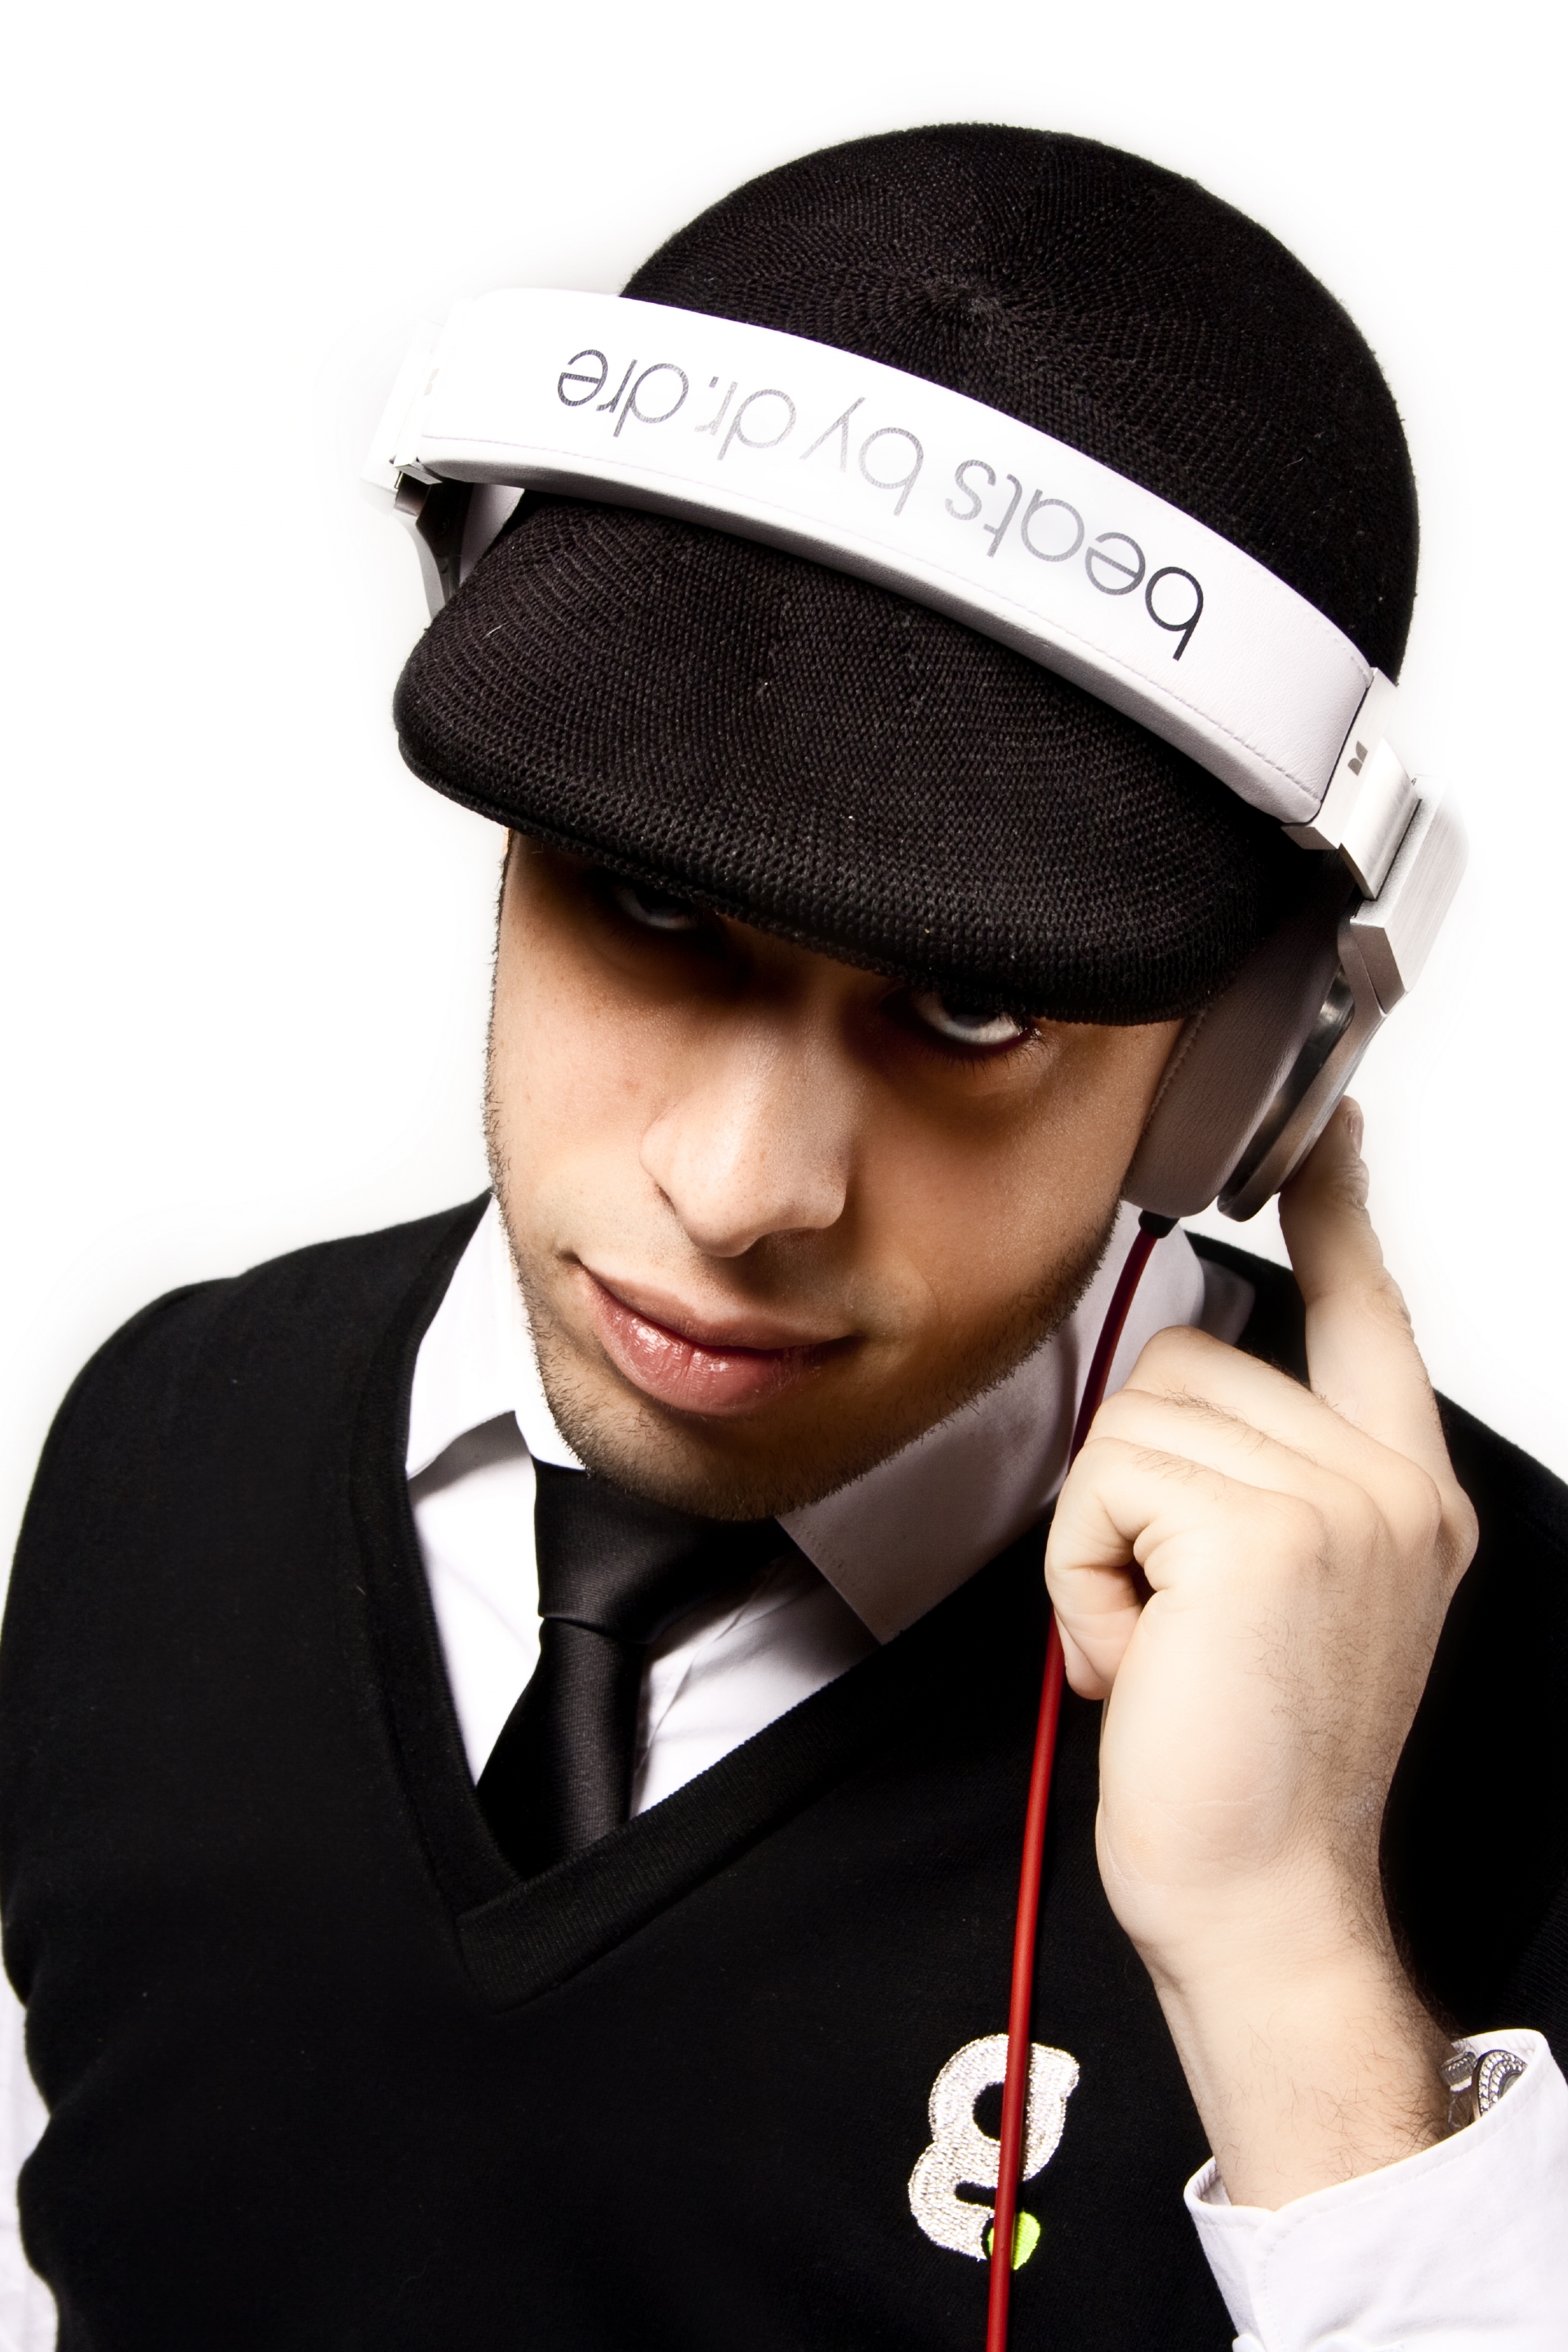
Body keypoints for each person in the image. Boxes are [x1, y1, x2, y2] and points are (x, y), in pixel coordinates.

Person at [2, 123, 1566, 2352]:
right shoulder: (157, 1441)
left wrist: (1298, 1985)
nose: (742, 1194)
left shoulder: (1517, 1682)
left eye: (972, 1006)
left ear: (1239, 1071)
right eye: (650, 899)